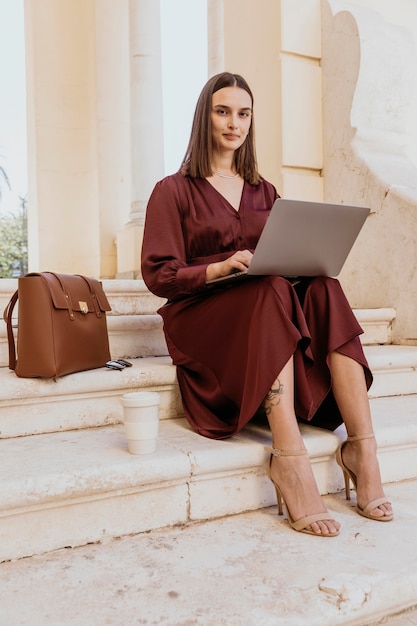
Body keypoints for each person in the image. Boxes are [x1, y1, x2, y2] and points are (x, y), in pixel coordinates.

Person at [141, 72, 393, 536]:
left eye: (243, 113)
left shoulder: (264, 190)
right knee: (270, 288)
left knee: (324, 288)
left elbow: (281, 259)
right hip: (201, 315)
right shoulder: (173, 189)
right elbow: (159, 275)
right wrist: (217, 268)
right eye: (222, 111)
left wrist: (304, 264)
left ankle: (362, 446)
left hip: (263, 303)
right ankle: (289, 457)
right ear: (205, 117)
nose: (234, 123)